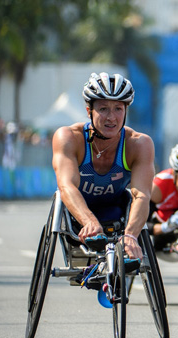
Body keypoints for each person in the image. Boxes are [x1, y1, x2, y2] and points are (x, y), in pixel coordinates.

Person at [51, 72, 155, 260]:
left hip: (116, 215)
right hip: (78, 216)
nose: (111, 117)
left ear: (126, 111)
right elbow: (67, 186)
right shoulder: (69, 137)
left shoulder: (139, 144)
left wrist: (131, 235)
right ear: (89, 111)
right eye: (103, 109)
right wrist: (89, 221)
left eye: (118, 109)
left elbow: (141, 194)